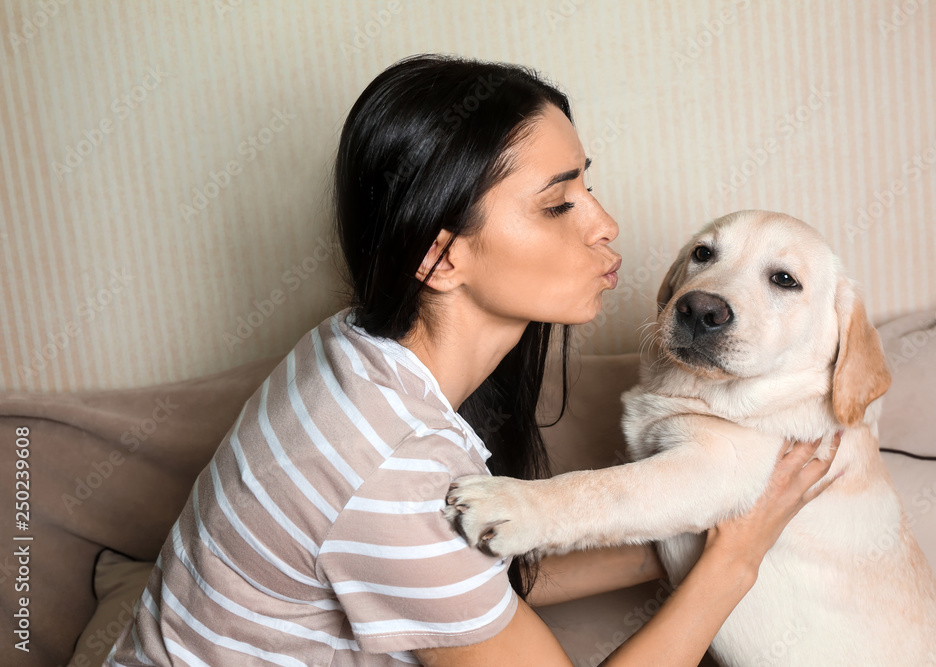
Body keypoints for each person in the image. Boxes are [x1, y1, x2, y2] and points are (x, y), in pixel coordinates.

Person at [105, 53, 840, 667]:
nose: (606, 224)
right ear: (441, 256)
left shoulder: (348, 348)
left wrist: (676, 543)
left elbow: (462, 577)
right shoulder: (388, 469)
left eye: (588, 183)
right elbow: (413, 529)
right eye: (560, 205)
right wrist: (733, 562)